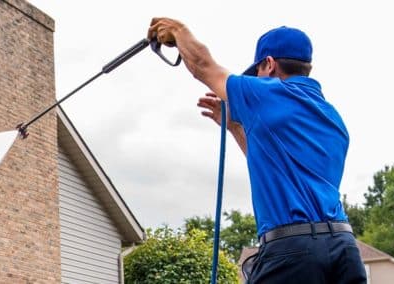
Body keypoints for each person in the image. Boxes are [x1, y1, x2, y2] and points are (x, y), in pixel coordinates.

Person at [148, 18, 367, 283]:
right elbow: (271, 162)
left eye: (259, 72)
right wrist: (234, 128)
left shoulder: (267, 93)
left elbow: (203, 67)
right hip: (344, 249)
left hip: (293, 252)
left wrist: (177, 31)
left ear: (270, 64)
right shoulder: (332, 118)